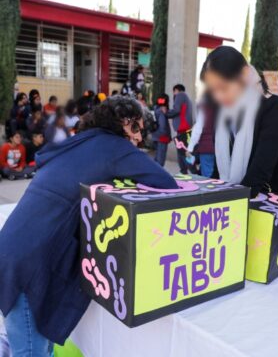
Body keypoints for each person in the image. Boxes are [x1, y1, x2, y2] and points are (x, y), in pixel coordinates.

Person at [0, 96, 178, 356]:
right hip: (30, 264)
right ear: (121, 123)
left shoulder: (79, 141)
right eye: (136, 128)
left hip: (15, 248)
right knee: (31, 351)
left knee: (38, 346)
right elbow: (165, 181)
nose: (140, 138)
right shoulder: (115, 147)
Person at [200, 46, 278, 198]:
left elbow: (260, 170)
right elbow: (219, 168)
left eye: (223, 87)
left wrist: (230, 203)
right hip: (234, 198)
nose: (218, 96)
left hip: (272, 201)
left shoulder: (275, 108)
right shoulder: (222, 111)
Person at [166, 84, 197, 174]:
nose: (174, 94)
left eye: (174, 92)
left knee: (183, 152)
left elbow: (176, 110)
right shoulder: (187, 98)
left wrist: (166, 113)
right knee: (181, 152)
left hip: (182, 129)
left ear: (176, 90)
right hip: (185, 129)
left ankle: (193, 171)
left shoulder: (180, 95)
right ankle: (184, 171)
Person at [186, 92, 217, 177]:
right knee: (217, 176)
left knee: (207, 177)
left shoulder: (205, 108)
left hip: (206, 147)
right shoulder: (221, 108)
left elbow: (198, 129)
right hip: (219, 148)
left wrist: (190, 148)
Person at [152, 94, 171, 166]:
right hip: (162, 137)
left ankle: (153, 174)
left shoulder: (155, 108)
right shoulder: (162, 111)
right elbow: (163, 126)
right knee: (160, 160)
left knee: (157, 158)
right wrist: (167, 136)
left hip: (155, 136)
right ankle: (157, 175)